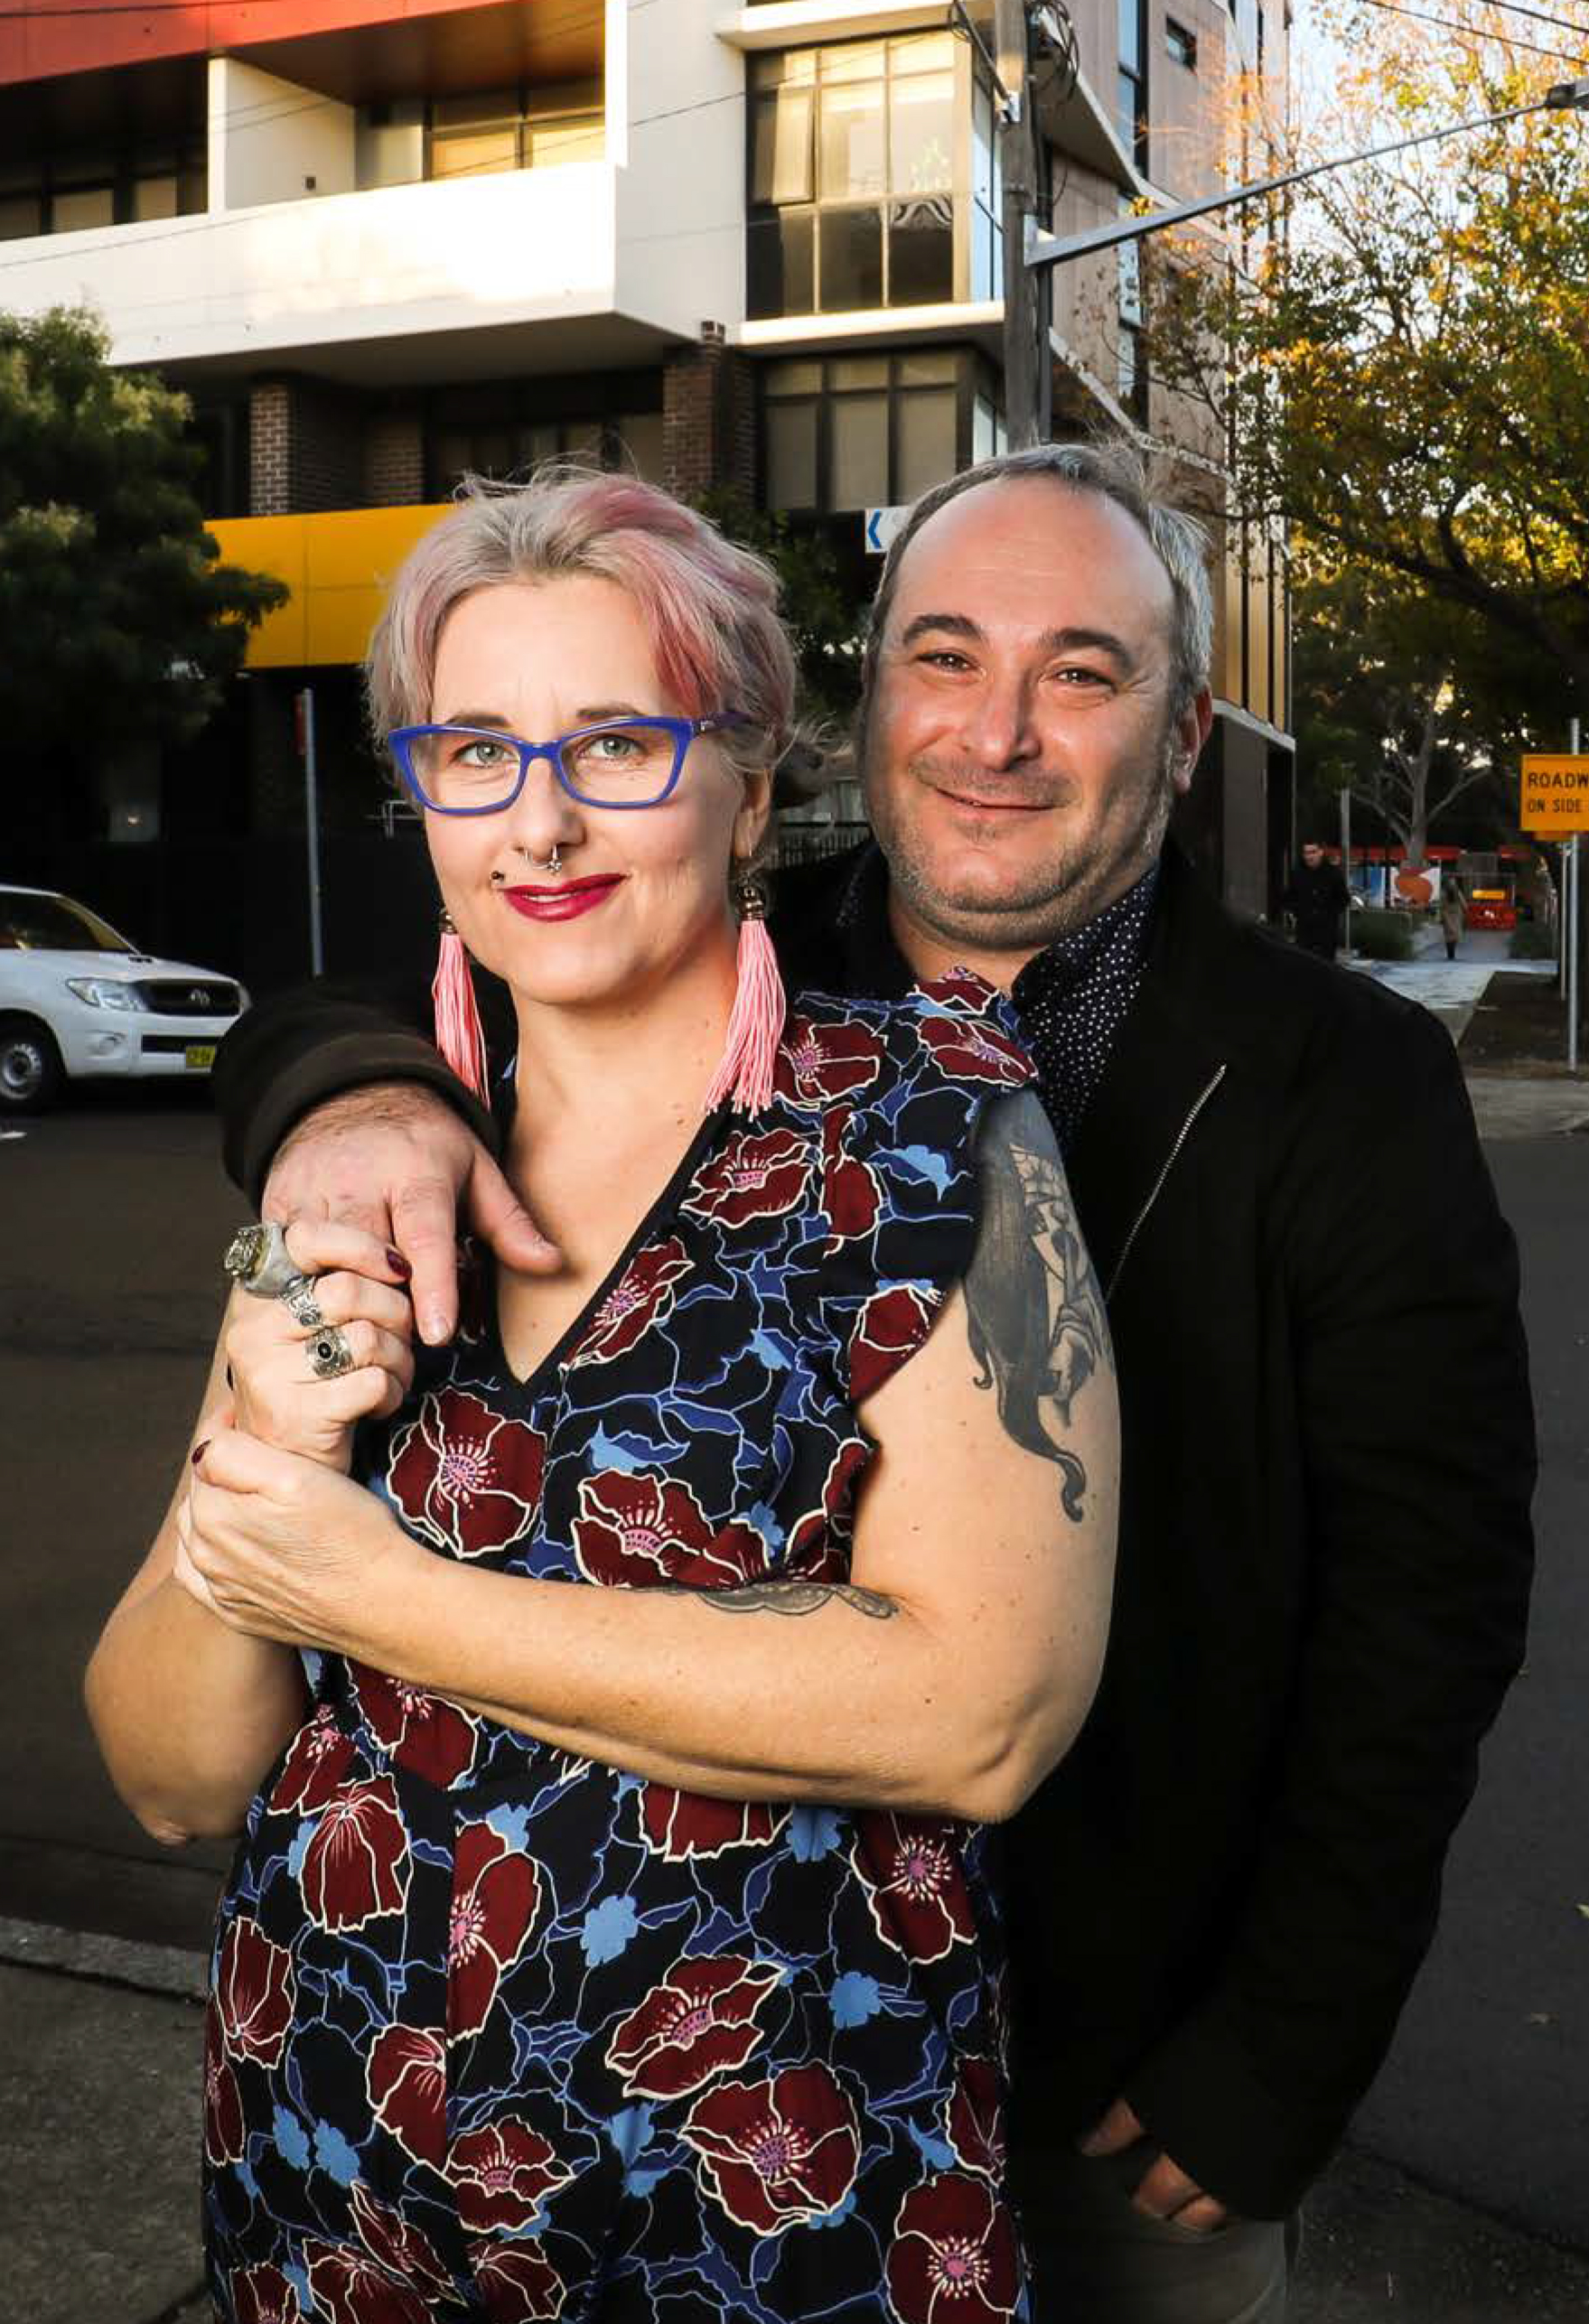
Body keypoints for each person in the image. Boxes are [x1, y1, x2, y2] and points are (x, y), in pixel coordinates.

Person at [212, 443, 1539, 2324]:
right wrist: (347, 1102)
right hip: (590, 2063)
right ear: (855, 709)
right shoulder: (707, 932)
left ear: (1179, 736)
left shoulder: (1346, 1081)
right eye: (942, 657)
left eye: (1081, 672)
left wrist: (1281, 2049)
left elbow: (1433, 1597)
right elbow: (413, 980)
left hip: (1105, 2048)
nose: (995, 732)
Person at [86, 468, 1119, 2321]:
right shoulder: (355, 1181)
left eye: (618, 745)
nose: (540, 820)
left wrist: (376, 1599)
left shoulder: (930, 1131)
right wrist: (263, 1453)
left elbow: (979, 1708)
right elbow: (171, 1776)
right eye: (472, 751)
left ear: (747, 775)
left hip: (766, 2214)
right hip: (336, 2187)